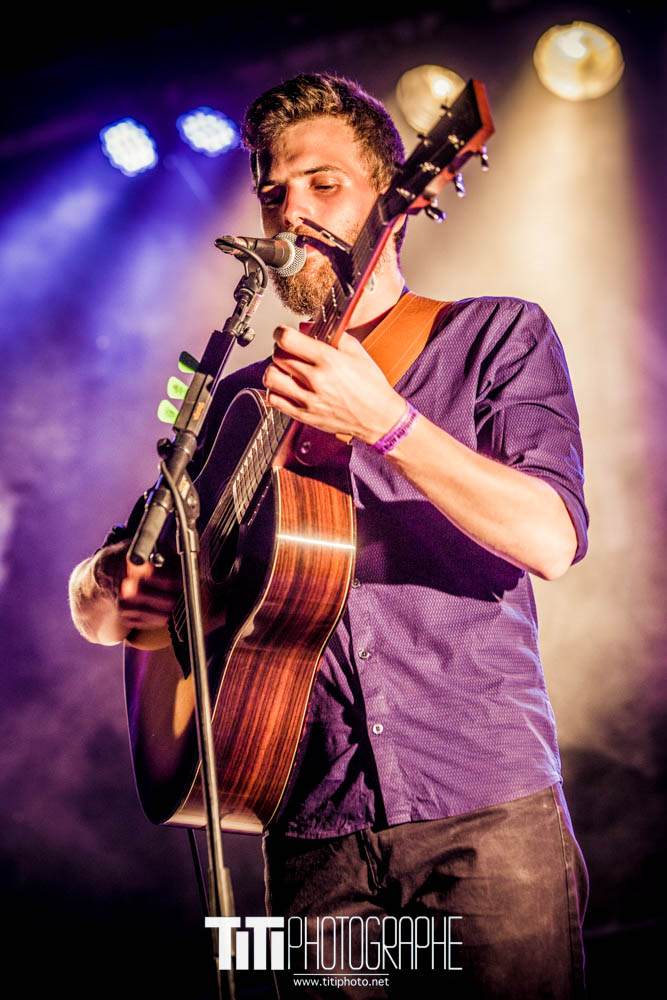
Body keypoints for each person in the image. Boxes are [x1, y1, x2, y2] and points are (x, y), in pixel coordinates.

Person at [69, 74, 589, 997]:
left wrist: (389, 424)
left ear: (392, 195)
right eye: (273, 192)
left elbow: (550, 539)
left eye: (324, 184)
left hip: (481, 811)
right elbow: (105, 606)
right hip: (305, 828)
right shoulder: (240, 399)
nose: (292, 211)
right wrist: (113, 585)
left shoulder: (494, 335)